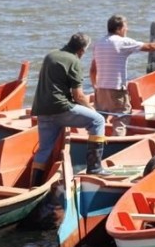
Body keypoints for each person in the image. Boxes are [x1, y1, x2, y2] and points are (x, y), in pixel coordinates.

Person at [89, 14, 155, 135]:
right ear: (119, 29)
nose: (127, 29)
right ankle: (117, 144)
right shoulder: (122, 42)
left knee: (99, 120)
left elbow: (93, 70)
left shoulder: (98, 43)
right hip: (116, 90)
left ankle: (94, 143)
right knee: (121, 118)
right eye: (126, 27)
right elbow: (151, 46)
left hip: (100, 90)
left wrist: (95, 87)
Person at [31, 32, 109, 185]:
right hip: (61, 109)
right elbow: (78, 96)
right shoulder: (74, 61)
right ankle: (95, 168)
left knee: (44, 149)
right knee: (98, 121)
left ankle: (34, 185)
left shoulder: (50, 55)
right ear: (82, 50)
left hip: (42, 110)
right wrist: (92, 110)